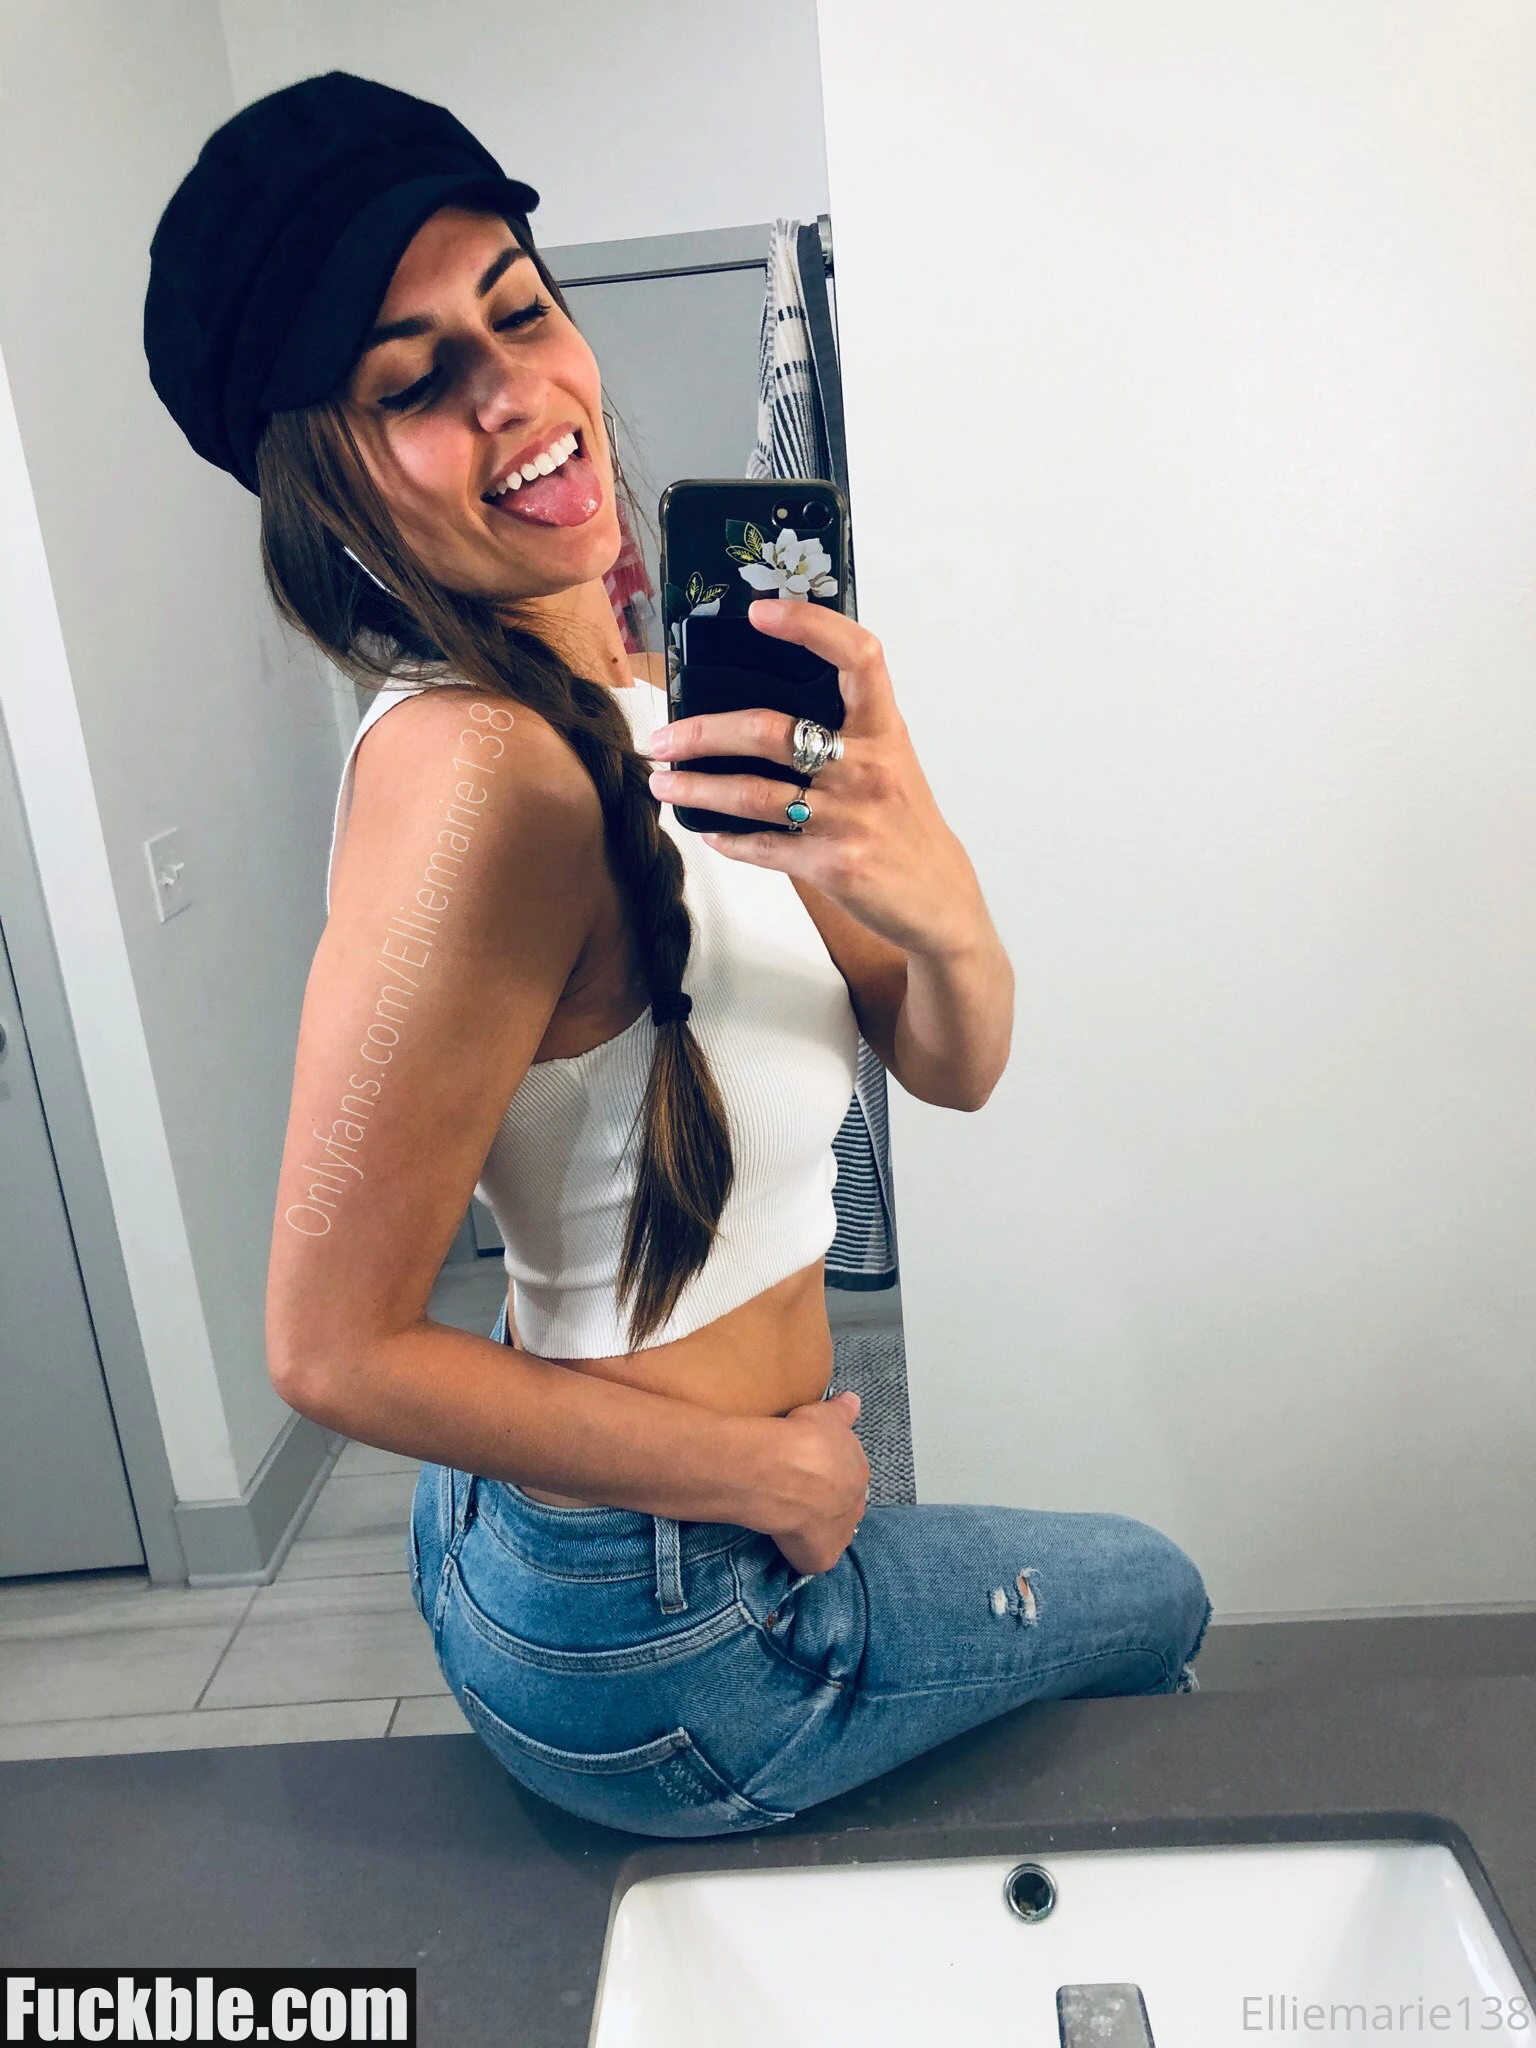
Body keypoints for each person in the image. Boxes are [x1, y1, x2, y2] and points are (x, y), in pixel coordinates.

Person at [145, 71, 1210, 1839]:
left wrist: (926, 871)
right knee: (1158, 1595)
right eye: (415, 383)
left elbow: (956, 1064)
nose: (515, 394)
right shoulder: (480, 777)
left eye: (519, 310)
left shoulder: (658, 699)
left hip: (617, 1543)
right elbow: (329, 1347)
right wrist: (762, 1472)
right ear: (326, 487)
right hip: (672, 1612)